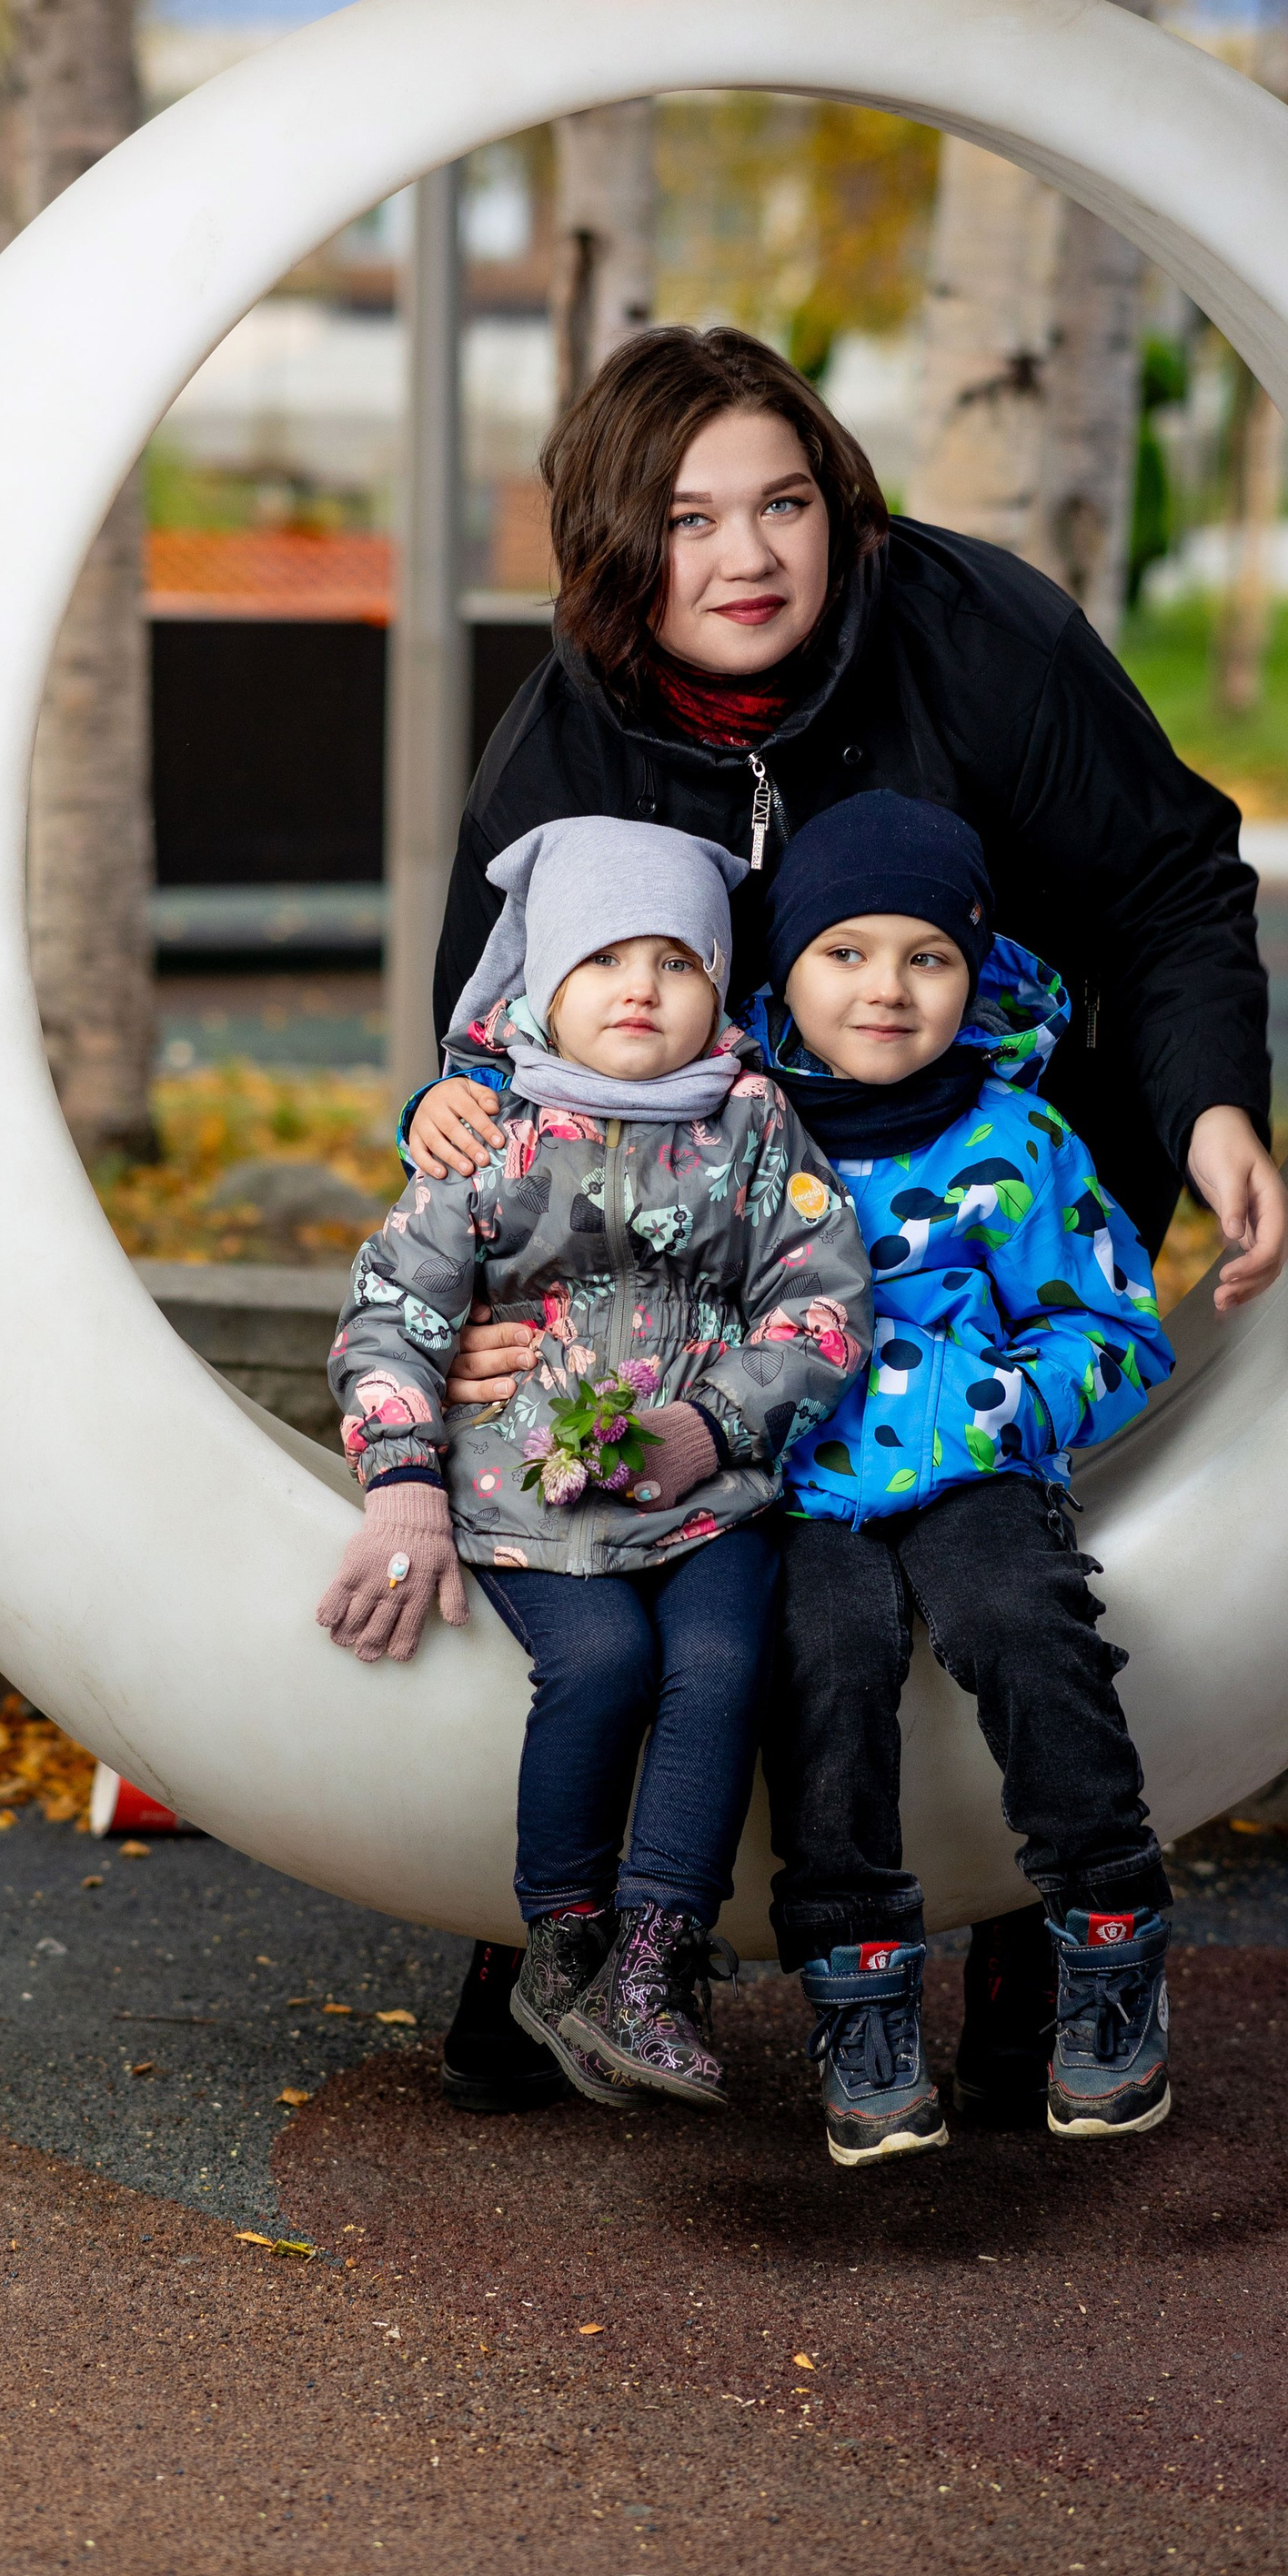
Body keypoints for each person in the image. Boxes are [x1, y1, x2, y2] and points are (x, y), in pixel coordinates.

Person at [421, 325, 1283, 2115]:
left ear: (841, 506)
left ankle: (1023, 1924)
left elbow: (1167, 882)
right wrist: (490, 1303)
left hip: (985, 1188)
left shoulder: (981, 638)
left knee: (992, 1558)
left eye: (785, 504)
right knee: (715, 1568)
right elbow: (490, 1048)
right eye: (688, 519)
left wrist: (1207, 1112)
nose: (747, 557)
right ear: (611, 549)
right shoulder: (564, 742)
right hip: (711, 1245)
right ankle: (569, 1931)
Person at [317, 817, 870, 2108]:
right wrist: (403, 1481)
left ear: (718, 987)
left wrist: (714, 1425)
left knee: (723, 1660)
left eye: (677, 962)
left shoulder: (751, 1125)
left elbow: (823, 1300)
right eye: (604, 959)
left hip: (702, 1491)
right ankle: (561, 1937)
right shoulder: (490, 1134)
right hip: (528, 1495)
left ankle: (656, 1961)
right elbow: (392, 1312)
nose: (641, 987)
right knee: (603, 1662)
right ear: (543, 984)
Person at [745, 792, 1176, 2164]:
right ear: (785, 969)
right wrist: (437, 1108)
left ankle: (1110, 1933)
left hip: (973, 1470)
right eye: (846, 952)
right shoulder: (730, 1130)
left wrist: (997, 1407)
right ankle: (860, 1996)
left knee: (1020, 1621)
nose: (886, 988)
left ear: (975, 974)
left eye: (927, 957)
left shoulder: (1020, 1142)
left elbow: (1115, 1330)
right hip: (796, 1488)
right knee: (821, 1660)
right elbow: (570, 1177)